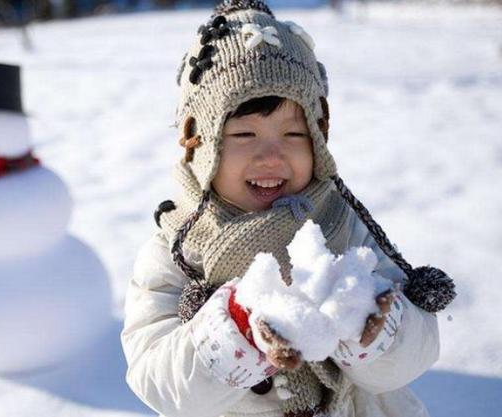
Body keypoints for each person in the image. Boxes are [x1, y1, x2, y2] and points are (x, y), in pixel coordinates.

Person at [122, 1, 453, 416]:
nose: (271, 155)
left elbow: (415, 354)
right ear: (200, 142)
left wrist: (371, 324)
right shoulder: (178, 251)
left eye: (294, 133)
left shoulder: (340, 224)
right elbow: (159, 382)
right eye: (244, 133)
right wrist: (238, 330)